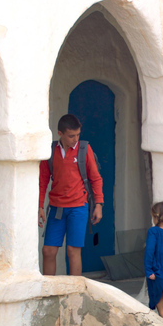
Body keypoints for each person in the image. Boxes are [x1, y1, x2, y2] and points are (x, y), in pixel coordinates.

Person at [38, 114, 103, 276]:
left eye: (78, 135)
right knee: (48, 251)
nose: (75, 139)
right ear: (60, 134)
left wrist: (99, 205)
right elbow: (43, 180)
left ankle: (75, 295)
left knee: (73, 251)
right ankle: (49, 292)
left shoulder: (84, 149)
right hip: (56, 208)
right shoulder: (51, 150)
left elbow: (95, 178)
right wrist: (39, 205)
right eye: (71, 136)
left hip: (78, 208)